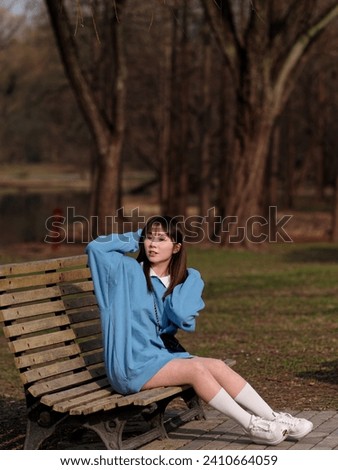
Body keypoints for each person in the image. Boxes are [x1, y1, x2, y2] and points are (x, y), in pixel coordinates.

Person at [86, 215, 313, 446]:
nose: (153, 245)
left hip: (157, 357)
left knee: (216, 365)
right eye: (150, 239)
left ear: (176, 247)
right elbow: (96, 247)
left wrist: (182, 281)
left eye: (161, 239)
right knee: (196, 369)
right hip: (129, 364)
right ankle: (251, 425)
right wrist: (138, 235)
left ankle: (273, 418)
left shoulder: (180, 280)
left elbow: (182, 315)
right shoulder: (125, 271)